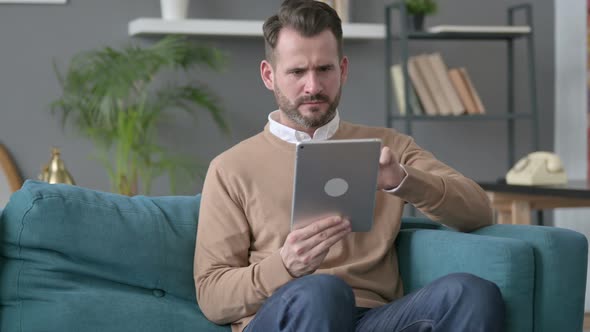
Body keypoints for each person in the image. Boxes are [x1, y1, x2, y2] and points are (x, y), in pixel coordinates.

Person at [194, 0, 504, 331]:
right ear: (269, 75)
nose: (313, 86)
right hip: (292, 312)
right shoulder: (231, 168)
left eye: (324, 70)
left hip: (374, 319)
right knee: (323, 292)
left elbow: (479, 211)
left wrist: (402, 180)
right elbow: (212, 296)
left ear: (342, 70)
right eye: (297, 72)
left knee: (471, 293)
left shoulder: (388, 148)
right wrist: (284, 265)